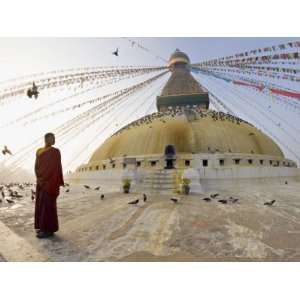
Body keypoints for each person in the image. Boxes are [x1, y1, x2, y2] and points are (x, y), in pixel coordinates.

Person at [34, 133, 64, 239]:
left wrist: (44, 180)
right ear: (46, 139)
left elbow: (56, 168)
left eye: (54, 138)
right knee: (41, 205)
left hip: (50, 184)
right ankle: (42, 228)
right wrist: (39, 178)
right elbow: (36, 167)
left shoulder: (55, 152)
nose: (54, 140)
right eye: (52, 138)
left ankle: (48, 230)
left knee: (48, 207)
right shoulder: (39, 151)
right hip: (42, 183)